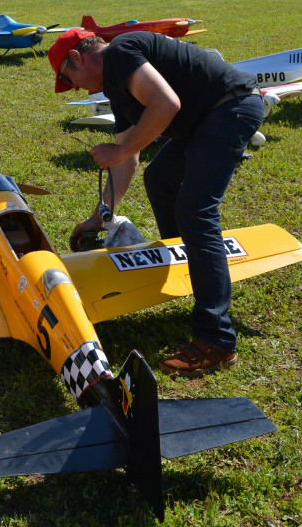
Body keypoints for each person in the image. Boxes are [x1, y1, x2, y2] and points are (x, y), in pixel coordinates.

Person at [50, 28, 263, 378]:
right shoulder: (118, 90)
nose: (74, 88)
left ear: (76, 57)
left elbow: (166, 105)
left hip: (230, 107)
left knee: (196, 212)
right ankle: (192, 274)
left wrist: (118, 149)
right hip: (205, 119)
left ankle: (217, 341)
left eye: (68, 78)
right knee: (160, 178)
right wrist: (100, 218)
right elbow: (128, 160)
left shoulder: (119, 53)